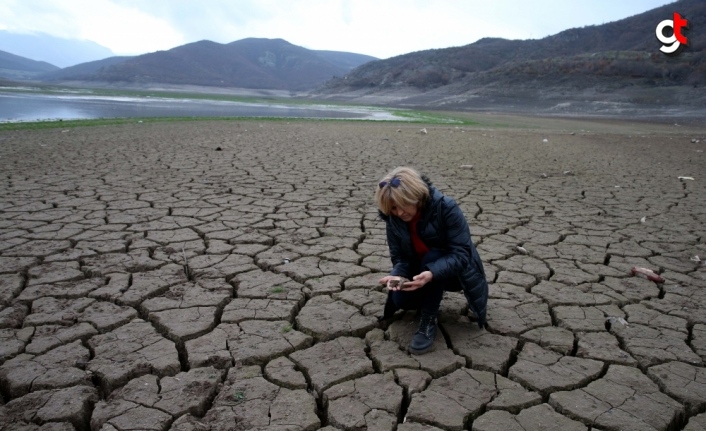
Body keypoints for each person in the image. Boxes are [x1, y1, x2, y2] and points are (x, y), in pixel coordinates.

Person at [375, 166, 488, 354]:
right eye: (393, 208)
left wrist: (431, 273)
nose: (399, 212)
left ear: (416, 196)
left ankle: (428, 319)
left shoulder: (446, 208)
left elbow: (461, 254)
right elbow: (401, 258)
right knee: (401, 299)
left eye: (403, 204)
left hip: (455, 274)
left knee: (434, 256)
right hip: (421, 271)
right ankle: (426, 294)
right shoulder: (393, 220)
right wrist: (397, 276)